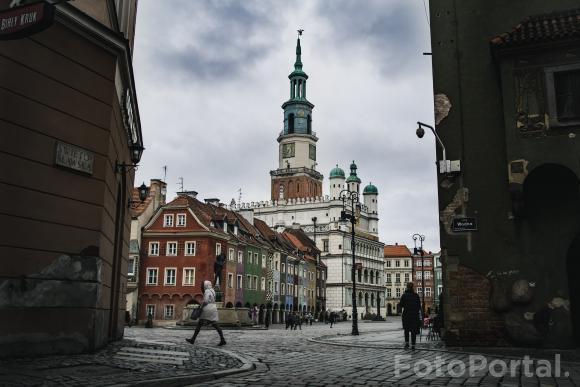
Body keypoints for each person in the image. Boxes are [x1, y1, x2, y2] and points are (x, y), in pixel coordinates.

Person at [186, 280, 226, 346]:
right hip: (213, 308)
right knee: (215, 324)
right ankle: (222, 339)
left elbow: (206, 301)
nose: (202, 287)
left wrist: (201, 306)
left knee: (199, 324)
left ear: (205, 285)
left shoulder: (207, 291)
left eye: (203, 285)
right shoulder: (213, 291)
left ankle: (192, 339)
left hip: (207, 309)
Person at [400, 282, 421, 349]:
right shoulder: (416, 295)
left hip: (406, 315)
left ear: (407, 287)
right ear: (413, 287)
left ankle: (406, 344)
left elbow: (401, 305)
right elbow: (419, 306)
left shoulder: (404, 295)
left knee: (406, 330)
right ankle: (413, 345)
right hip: (414, 315)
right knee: (413, 331)